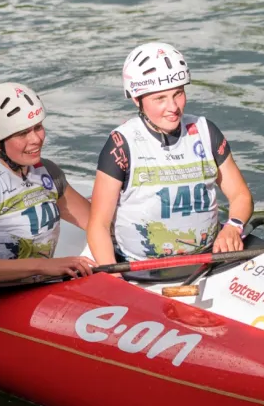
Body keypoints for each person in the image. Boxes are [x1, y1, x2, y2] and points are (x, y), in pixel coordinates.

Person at [87, 42, 254, 267]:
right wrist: (115, 279)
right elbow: (98, 225)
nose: (173, 107)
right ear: (137, 100)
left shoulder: (206, 131)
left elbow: (240, 195)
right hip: (139, 269)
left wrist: (233, 226)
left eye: (178, 94)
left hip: (209, 260)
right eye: (160, 99)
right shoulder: (120, 145)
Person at [0, 82, 97, 283]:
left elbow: (96, 223)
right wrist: (44, 266)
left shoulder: (47, 171)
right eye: (22, 133)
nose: (36, 139)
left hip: (35, 281)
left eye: (38, 127)